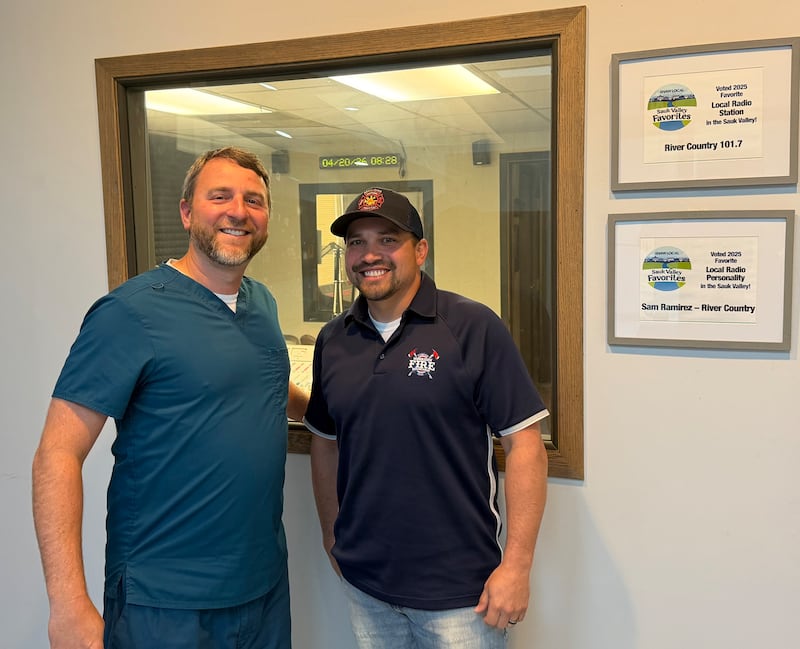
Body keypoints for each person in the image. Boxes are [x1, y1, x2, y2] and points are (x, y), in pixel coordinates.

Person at [32, 146, 308, 649]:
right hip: (165, 602)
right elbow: (57, 453)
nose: (238, 211)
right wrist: (68, 604)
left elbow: (264, 380)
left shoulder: (262, 303)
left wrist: (340, 409)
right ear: (186, 212)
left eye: (254, 200)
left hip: (262, 587)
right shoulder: (129, 313)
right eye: (219, 196)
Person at [305, 187, 549, 649]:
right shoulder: (334, 339)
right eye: (356, 242)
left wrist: (516, 565)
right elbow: (325, 442)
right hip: (366, 585)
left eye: (387, 240)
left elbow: (525, 445)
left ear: (420, 250)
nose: (369, 255)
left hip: (462, 594)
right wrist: (331, 535)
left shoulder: (472, 326)